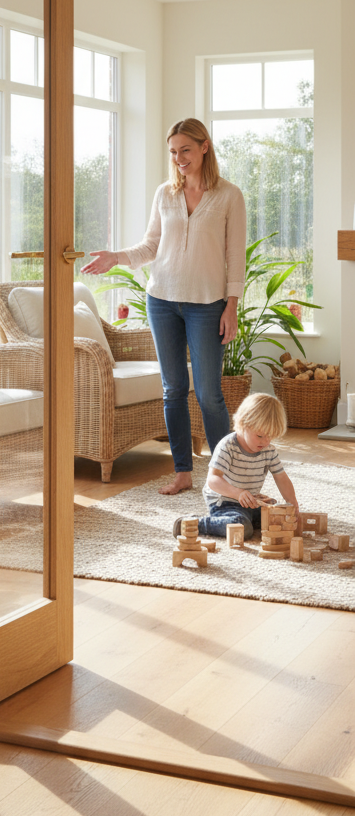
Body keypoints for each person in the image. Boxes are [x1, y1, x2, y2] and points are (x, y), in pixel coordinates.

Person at [82, 117, 246, 495]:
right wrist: (117, 256)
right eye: (173, 152)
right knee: (173, 390)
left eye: (185, 150)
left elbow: (235, 257)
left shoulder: (229, 196)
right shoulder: (165, 194)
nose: (178, 159)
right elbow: (151, 246)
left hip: (208, 304)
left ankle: (226, 476)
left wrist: (231, 305)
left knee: (208, 394)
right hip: (162, 302)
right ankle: (183, 472)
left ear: (205, 146)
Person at [182, 390, 299, 541]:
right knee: (242, 527)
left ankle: (249, 517)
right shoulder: (228, 446)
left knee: (276, 516)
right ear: (244, 424)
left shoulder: (268, 450)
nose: (265, 442)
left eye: (270, 436)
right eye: (260, 436)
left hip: (248, 502)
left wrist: (293, 503)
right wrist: (237, 493)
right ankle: (194, 524)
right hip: (224, 501)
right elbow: (213, 480)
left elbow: (281, 477)